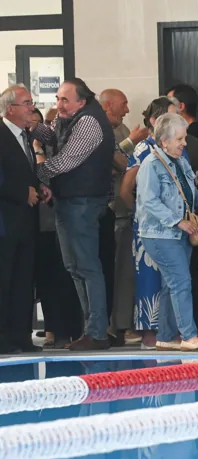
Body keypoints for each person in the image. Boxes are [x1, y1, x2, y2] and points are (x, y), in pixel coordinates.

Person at [32, 78, 116, 350]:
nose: (58, 105)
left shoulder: (90, 122)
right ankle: (91, 329)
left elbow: (67, 160)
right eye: (57, 99)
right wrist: (31, 125)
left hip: (83, 203)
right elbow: (51, 135)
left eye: (64, 100)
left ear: (82, 101)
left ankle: (97, 331)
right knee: (75, 268)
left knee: (88, 268)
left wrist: (34, 177)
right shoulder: (70, 117)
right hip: (69, 202)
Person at [135, 113, 198, 351]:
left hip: (178, 233)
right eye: (179, 139)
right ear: (163, 141)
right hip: (159, 234)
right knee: (181, 282)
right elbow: (149, 202)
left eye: (184, 138)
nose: (184, 143)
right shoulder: (150, 165)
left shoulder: (181, 162)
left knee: (171, 284)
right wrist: (177, 221)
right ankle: (188, 335)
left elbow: (191, 195)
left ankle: (165, 336)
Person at [120, 97, 183, 349]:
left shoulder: (177, 146)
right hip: (150, 227)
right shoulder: (144, 148)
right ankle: (149, 331)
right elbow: (126, 190)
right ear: (156, 121)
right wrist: (141, 214)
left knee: (171, 280)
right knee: (149, 278)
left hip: (174, 225)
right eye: (171, 117)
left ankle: (169, 330)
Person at [0, 85, 49, 353]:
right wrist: (22, 192)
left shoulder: (25, 136)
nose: (32, 107)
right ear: (10, 109)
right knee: (5, 280)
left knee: (23, 281)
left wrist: (38, 186)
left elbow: (24, 172)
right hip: (5, 222)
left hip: (25, 223)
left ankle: (21, 336)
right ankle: (4, 337)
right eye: (26, 103)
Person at [100, 88, 146, 344]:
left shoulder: (121, 128)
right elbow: (120, 161)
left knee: (125, 272)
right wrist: (135, 142)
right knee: (118, 272)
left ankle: (121, 324)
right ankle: (117, 326)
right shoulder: (99, 130)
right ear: (108, 105)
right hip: (114, 211)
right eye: (123, 104)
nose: (128, 109)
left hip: (124, 212)